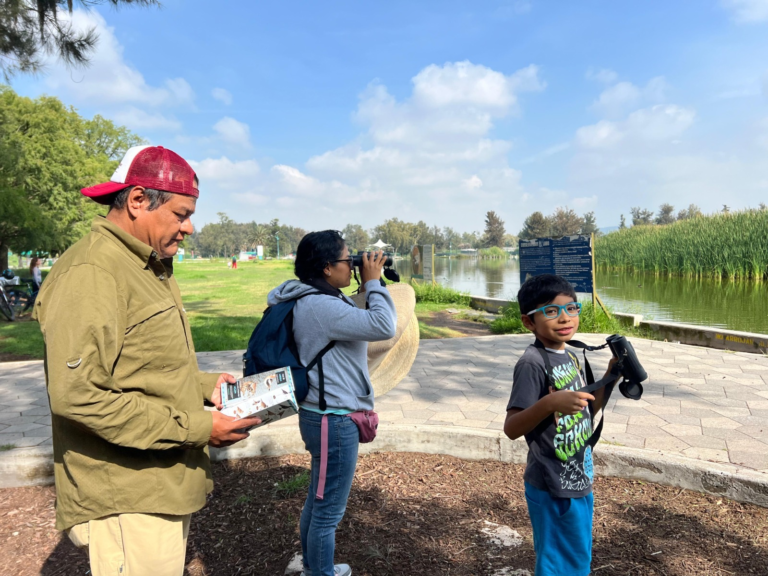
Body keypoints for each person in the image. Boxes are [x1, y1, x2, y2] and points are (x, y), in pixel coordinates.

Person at [34, 145, 260, 576]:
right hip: (127, 499)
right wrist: (198, 427)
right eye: (181, 213)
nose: (189, 227)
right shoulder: (94, 272)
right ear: (137, 200)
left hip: (152, 486)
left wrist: (205, 386)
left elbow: (141, 367)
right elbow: (78, 396)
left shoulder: (142, 264)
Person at [267, 231, 397, 576]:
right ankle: (319, 573)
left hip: (321, 415)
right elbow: (385, 325)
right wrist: (374, 283)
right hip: (333, 420)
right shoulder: (322, 306)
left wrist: (364, 283)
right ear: (326, 268)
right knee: (327, 512)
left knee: (318, 501)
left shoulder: (313, 298)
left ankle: (315, 568)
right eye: (346, 260)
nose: (352, 265)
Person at [503, 274, 617, 576]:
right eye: (551, 311)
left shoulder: (569, 354)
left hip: (577, 475)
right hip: (552, 483)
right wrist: (549, 404)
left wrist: (611, 375)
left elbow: (587, 410)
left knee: (576, 557)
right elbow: (512, 427)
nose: (565, 318)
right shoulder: (532, 363)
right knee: (558, 564)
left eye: (572, 308)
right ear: (529, 322)